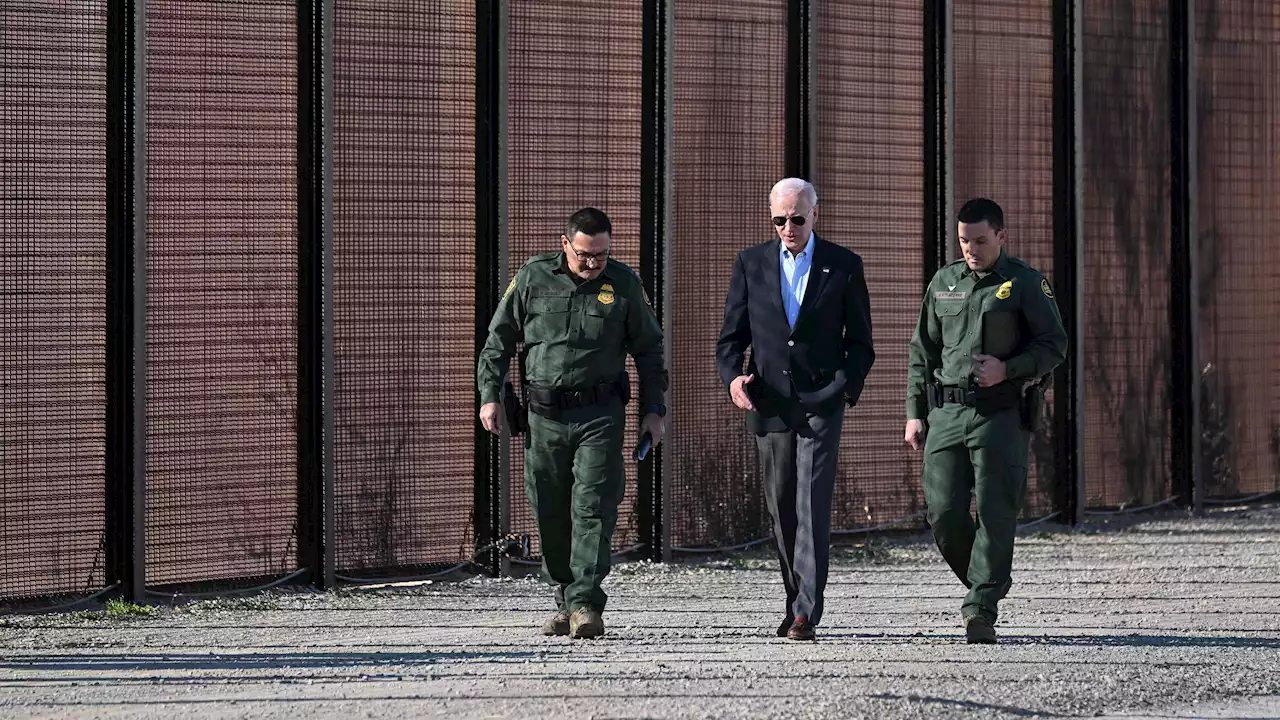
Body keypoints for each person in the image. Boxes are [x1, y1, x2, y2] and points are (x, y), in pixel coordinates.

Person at [476, 207, 667, 640]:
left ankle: (585, 602)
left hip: (600, 415)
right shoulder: (533, 278)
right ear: (565, 245)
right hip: (544, 417)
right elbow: (498, 342)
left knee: (593, 506)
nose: (593, 263)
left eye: (601, 255)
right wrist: (490, 397)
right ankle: (565, 596)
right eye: (584, 255)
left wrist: (653, 411)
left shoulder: (624, 284)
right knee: (549, 508)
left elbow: (650, 352)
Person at [715, 177, 875, 641]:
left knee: (811, 501)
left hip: (821, 401)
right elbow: (730, 339)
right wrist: (733, 380)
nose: (788, 227)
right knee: (781, 504)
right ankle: (793, 600)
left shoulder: (843, 266)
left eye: (797, 218)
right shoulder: (751, 263)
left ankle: (806, 609)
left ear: (815, 214)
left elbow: (861, 343)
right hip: (769, 403)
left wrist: (843, 389)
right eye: (779, 220)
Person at [904, 197, 1067, 644]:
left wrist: (1008, 369)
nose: (971, 249)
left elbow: (1054, 345)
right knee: (943, 512)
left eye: (980, 240)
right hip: (947, 414)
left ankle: (981, 607)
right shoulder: (944, 283)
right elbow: (922, 352)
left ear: (1001, 237)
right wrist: (915, 413)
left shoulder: (1025, 283)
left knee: (996, 512)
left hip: (999, 414)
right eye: (963, 241)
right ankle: (987, 579)